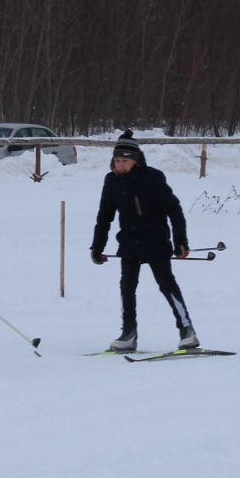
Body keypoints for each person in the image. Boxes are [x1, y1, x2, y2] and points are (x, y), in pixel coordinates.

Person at [89, 131, 199, 353]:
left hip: (155, 240)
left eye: (125, 161)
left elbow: (174, 210)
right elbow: (104, 216)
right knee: (127, 287)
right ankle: (128, 333)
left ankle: (187, 331)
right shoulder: (111, 181)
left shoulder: (152, 178)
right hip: (129, 242)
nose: (120, 165)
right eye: (117, 161)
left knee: (166, 285)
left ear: (136, 161)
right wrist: (97, 247)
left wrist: (181, 241)